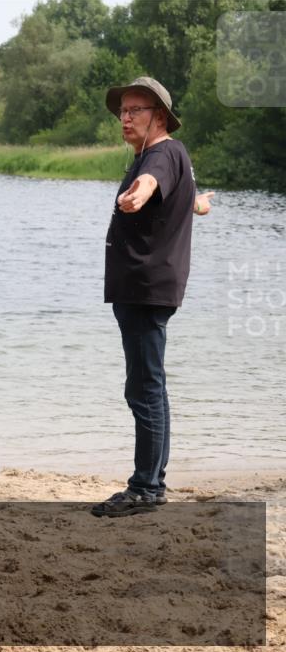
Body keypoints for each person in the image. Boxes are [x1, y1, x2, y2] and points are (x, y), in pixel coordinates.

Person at [91, 77, 214, 518]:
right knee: (150, 387)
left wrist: (137, 196)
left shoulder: (160, 154)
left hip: (144, 289)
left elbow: (150, 183)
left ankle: (146, 488)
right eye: (123, 111)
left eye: (135, 110)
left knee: (144, 388)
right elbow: (176, 193)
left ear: (158, 116)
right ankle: (152, 482)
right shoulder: (168, 154)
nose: (125, 118)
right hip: (147, 288)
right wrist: (198, 203)